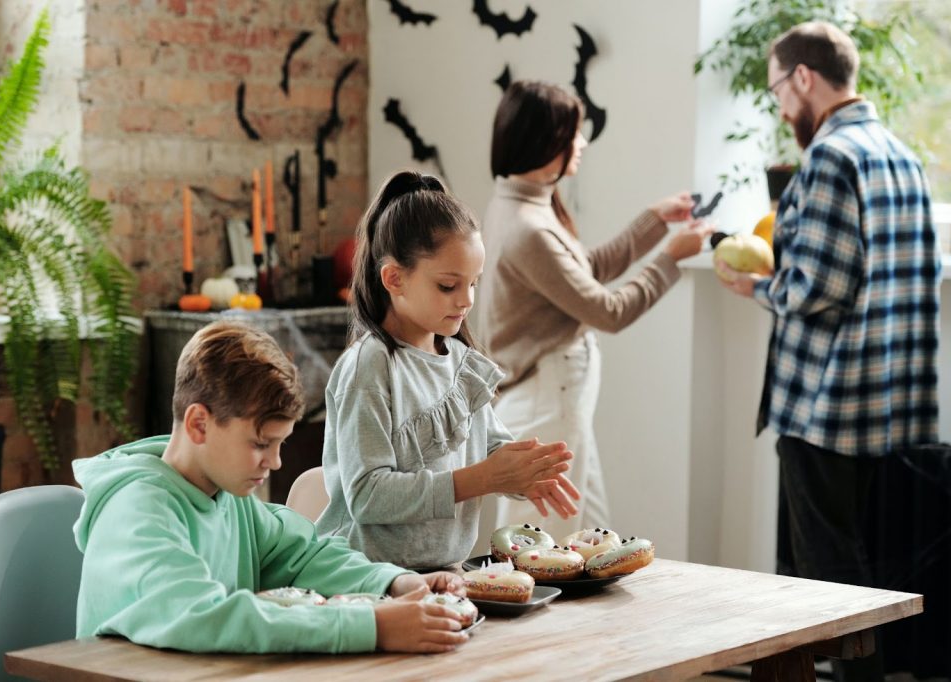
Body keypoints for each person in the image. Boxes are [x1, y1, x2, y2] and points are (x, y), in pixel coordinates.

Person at [717, 21, 941, 681]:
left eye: (778, 90)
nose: (781, 107)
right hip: (890, 399)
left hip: (826, 403)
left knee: (825, 576)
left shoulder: (828, 156)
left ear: (804, 78)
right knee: (867, 565)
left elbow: (816, 287)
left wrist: (752, 283)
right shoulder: (900, 154)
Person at [73, 320, 471, 655]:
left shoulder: (227, 495)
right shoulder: (137, 512)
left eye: (280, 444)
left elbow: (304, 555)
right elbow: (206, 615)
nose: (276, 462)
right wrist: (371, 626)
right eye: (261, 444)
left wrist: (391, 582)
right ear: (198, 424)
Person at [475, 80, 711, 540]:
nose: (581, 144)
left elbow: (585, 270)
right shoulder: (530, 228)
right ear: (546, 143)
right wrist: (670, 257)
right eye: (572, 134)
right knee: (541, 546)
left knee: (588, 535)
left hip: (554, 394)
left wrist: (655, 221)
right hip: (549, 396)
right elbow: (610, 310)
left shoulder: (519, 202)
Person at [315, 170, 581, 570]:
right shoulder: (369, 367)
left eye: (473, 283)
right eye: (448, 286)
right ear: (394, 279)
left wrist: (524, 470)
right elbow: (367, 496)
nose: (467, 300)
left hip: (445, 574)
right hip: (366, 580)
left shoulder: (460, 363)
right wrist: (483, 478)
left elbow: (488, 448)